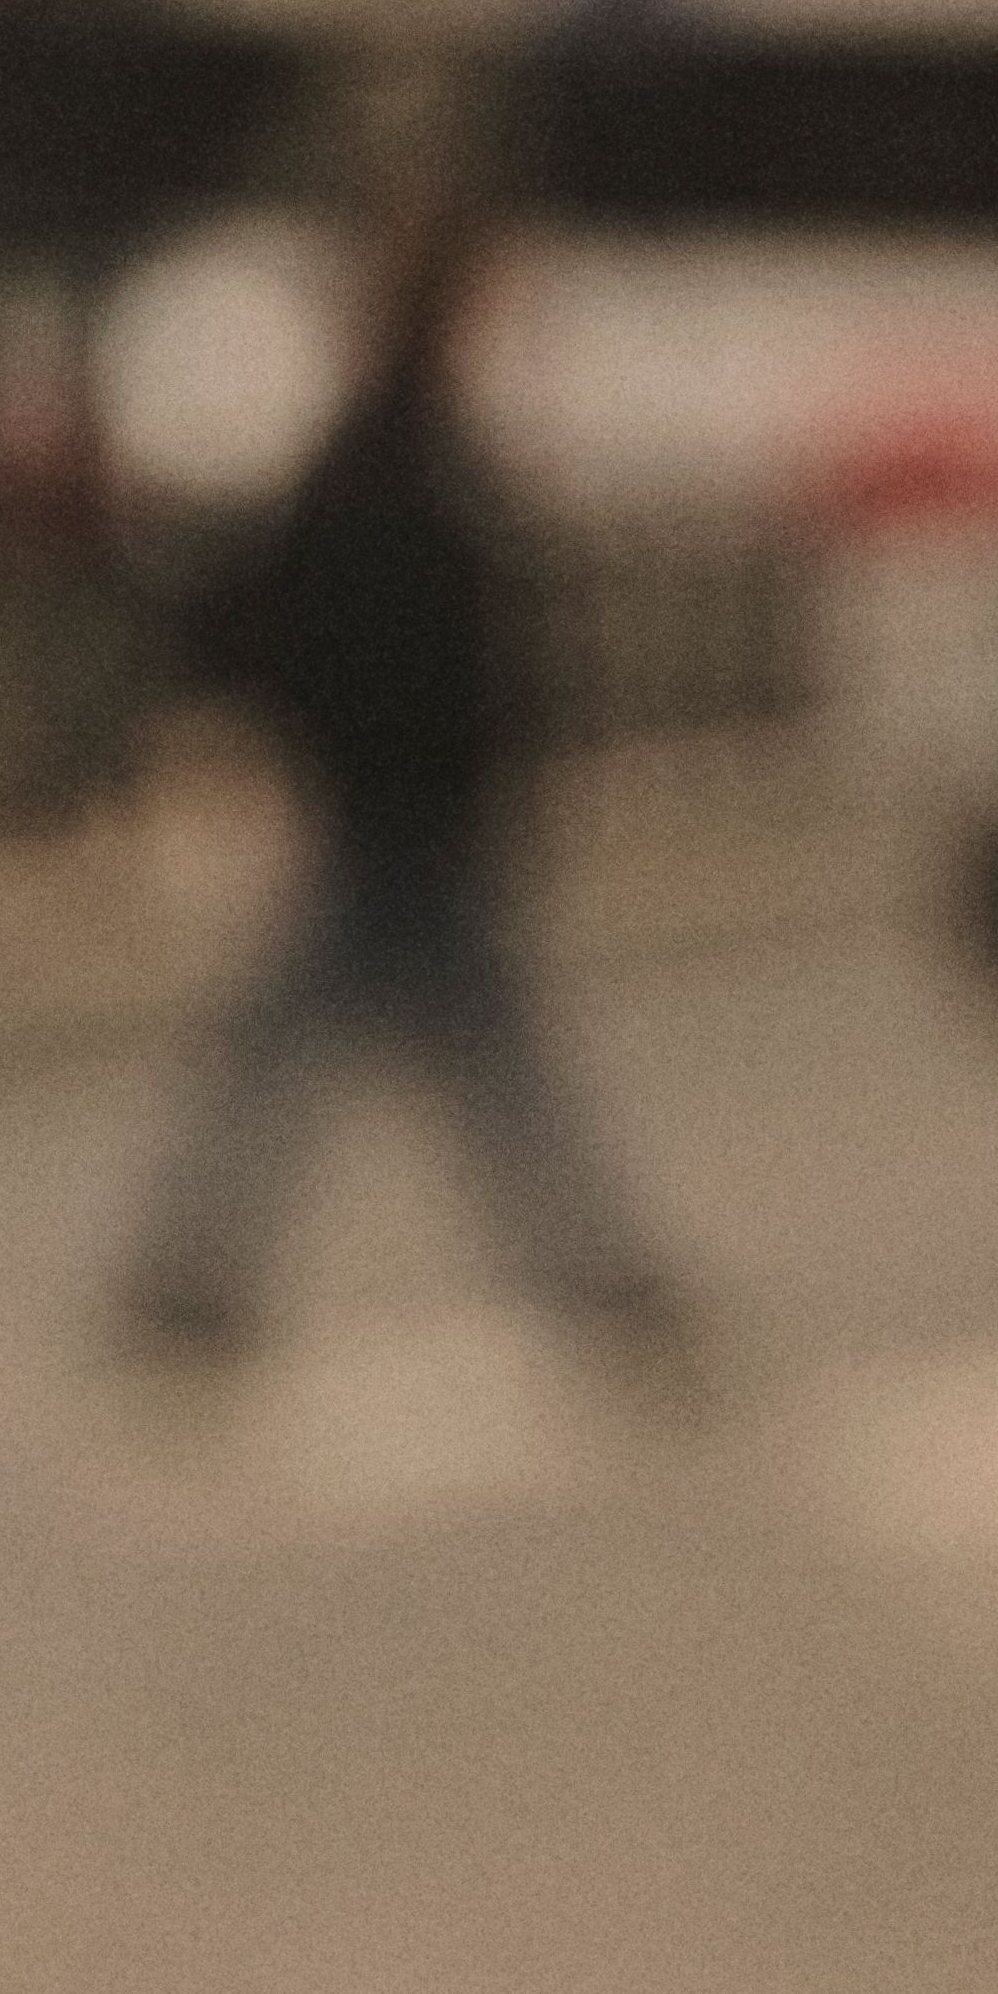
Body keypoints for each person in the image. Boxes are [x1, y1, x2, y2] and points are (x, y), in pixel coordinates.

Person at [115, 213, 692, 1383]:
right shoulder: (404, 455)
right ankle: (600, 1286)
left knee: (346, 1056)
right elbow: (392, 643)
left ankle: (193, 1283)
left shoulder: (391, 446)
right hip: (401, 815)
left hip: (391, 812)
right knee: (467, 1067)